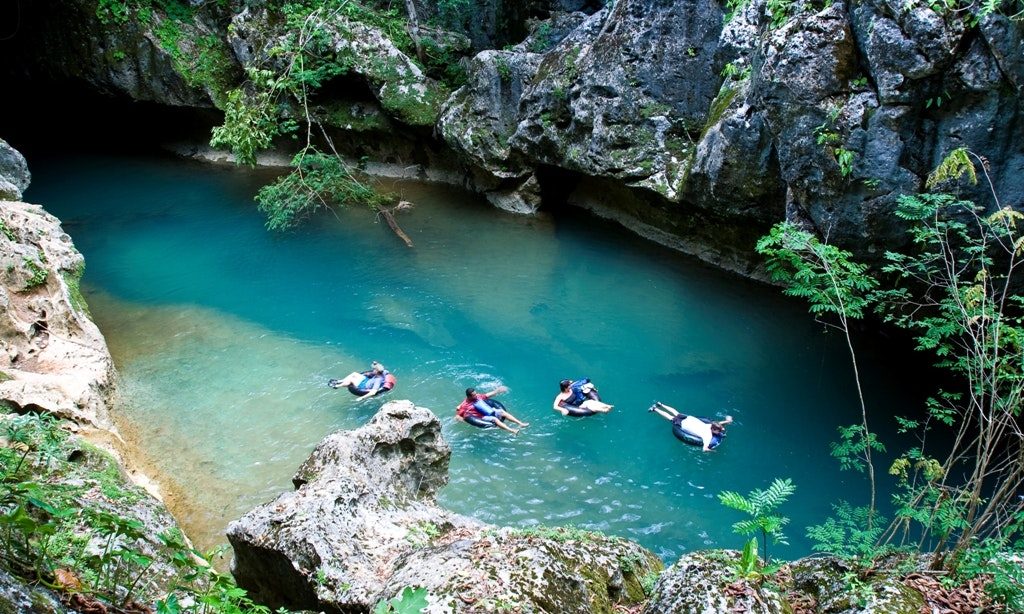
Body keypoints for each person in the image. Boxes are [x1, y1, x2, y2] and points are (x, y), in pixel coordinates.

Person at [650, 401, 732, 451]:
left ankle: (661, 404)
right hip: (684, 424)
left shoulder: (710, 425)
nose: (720, 431)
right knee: (670, 417)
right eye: (719, 431)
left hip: (690, 419)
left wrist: (728, 421)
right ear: (713, 430)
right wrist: (710, 450)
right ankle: (655, 409)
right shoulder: (707, 435)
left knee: (676, 413)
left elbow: (720, 423)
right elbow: (704, 448)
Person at [455, 385, 530, 435]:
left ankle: (520, 424)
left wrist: (498, 391)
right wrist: (465, 421)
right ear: (469, 396)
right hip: (481, 417)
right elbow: (458, 415)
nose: (476, 395)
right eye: (474, 395)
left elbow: (488, 395)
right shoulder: (465, 405)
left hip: (488, 411)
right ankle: (512, 431)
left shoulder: (478, 397)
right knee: (495, 419)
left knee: (502, 412)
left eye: (476, 393)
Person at [328, 361, 395, 400]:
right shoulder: (383, 371)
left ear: (377, 371)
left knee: (351, 380)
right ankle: (340, 381)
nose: (372, 370)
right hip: (367, 380)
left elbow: (373, 392)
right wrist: (375, 363)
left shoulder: (378, 380)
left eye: (374, 369)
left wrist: (361, 398)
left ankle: (337, 386)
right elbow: (382, 369)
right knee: (354, 374)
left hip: (364, 385)